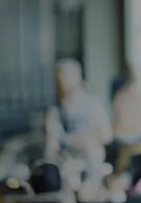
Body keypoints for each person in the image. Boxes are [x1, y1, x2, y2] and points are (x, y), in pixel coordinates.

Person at [44, 58, 113, 193]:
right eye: (60, 79)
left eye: (67, 77)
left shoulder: (94, 104)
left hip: (92, 164)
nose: (63, 83)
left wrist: (83, 140)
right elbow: (51, 148)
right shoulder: (55, 111)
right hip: (68, 167)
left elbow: (107, 136)